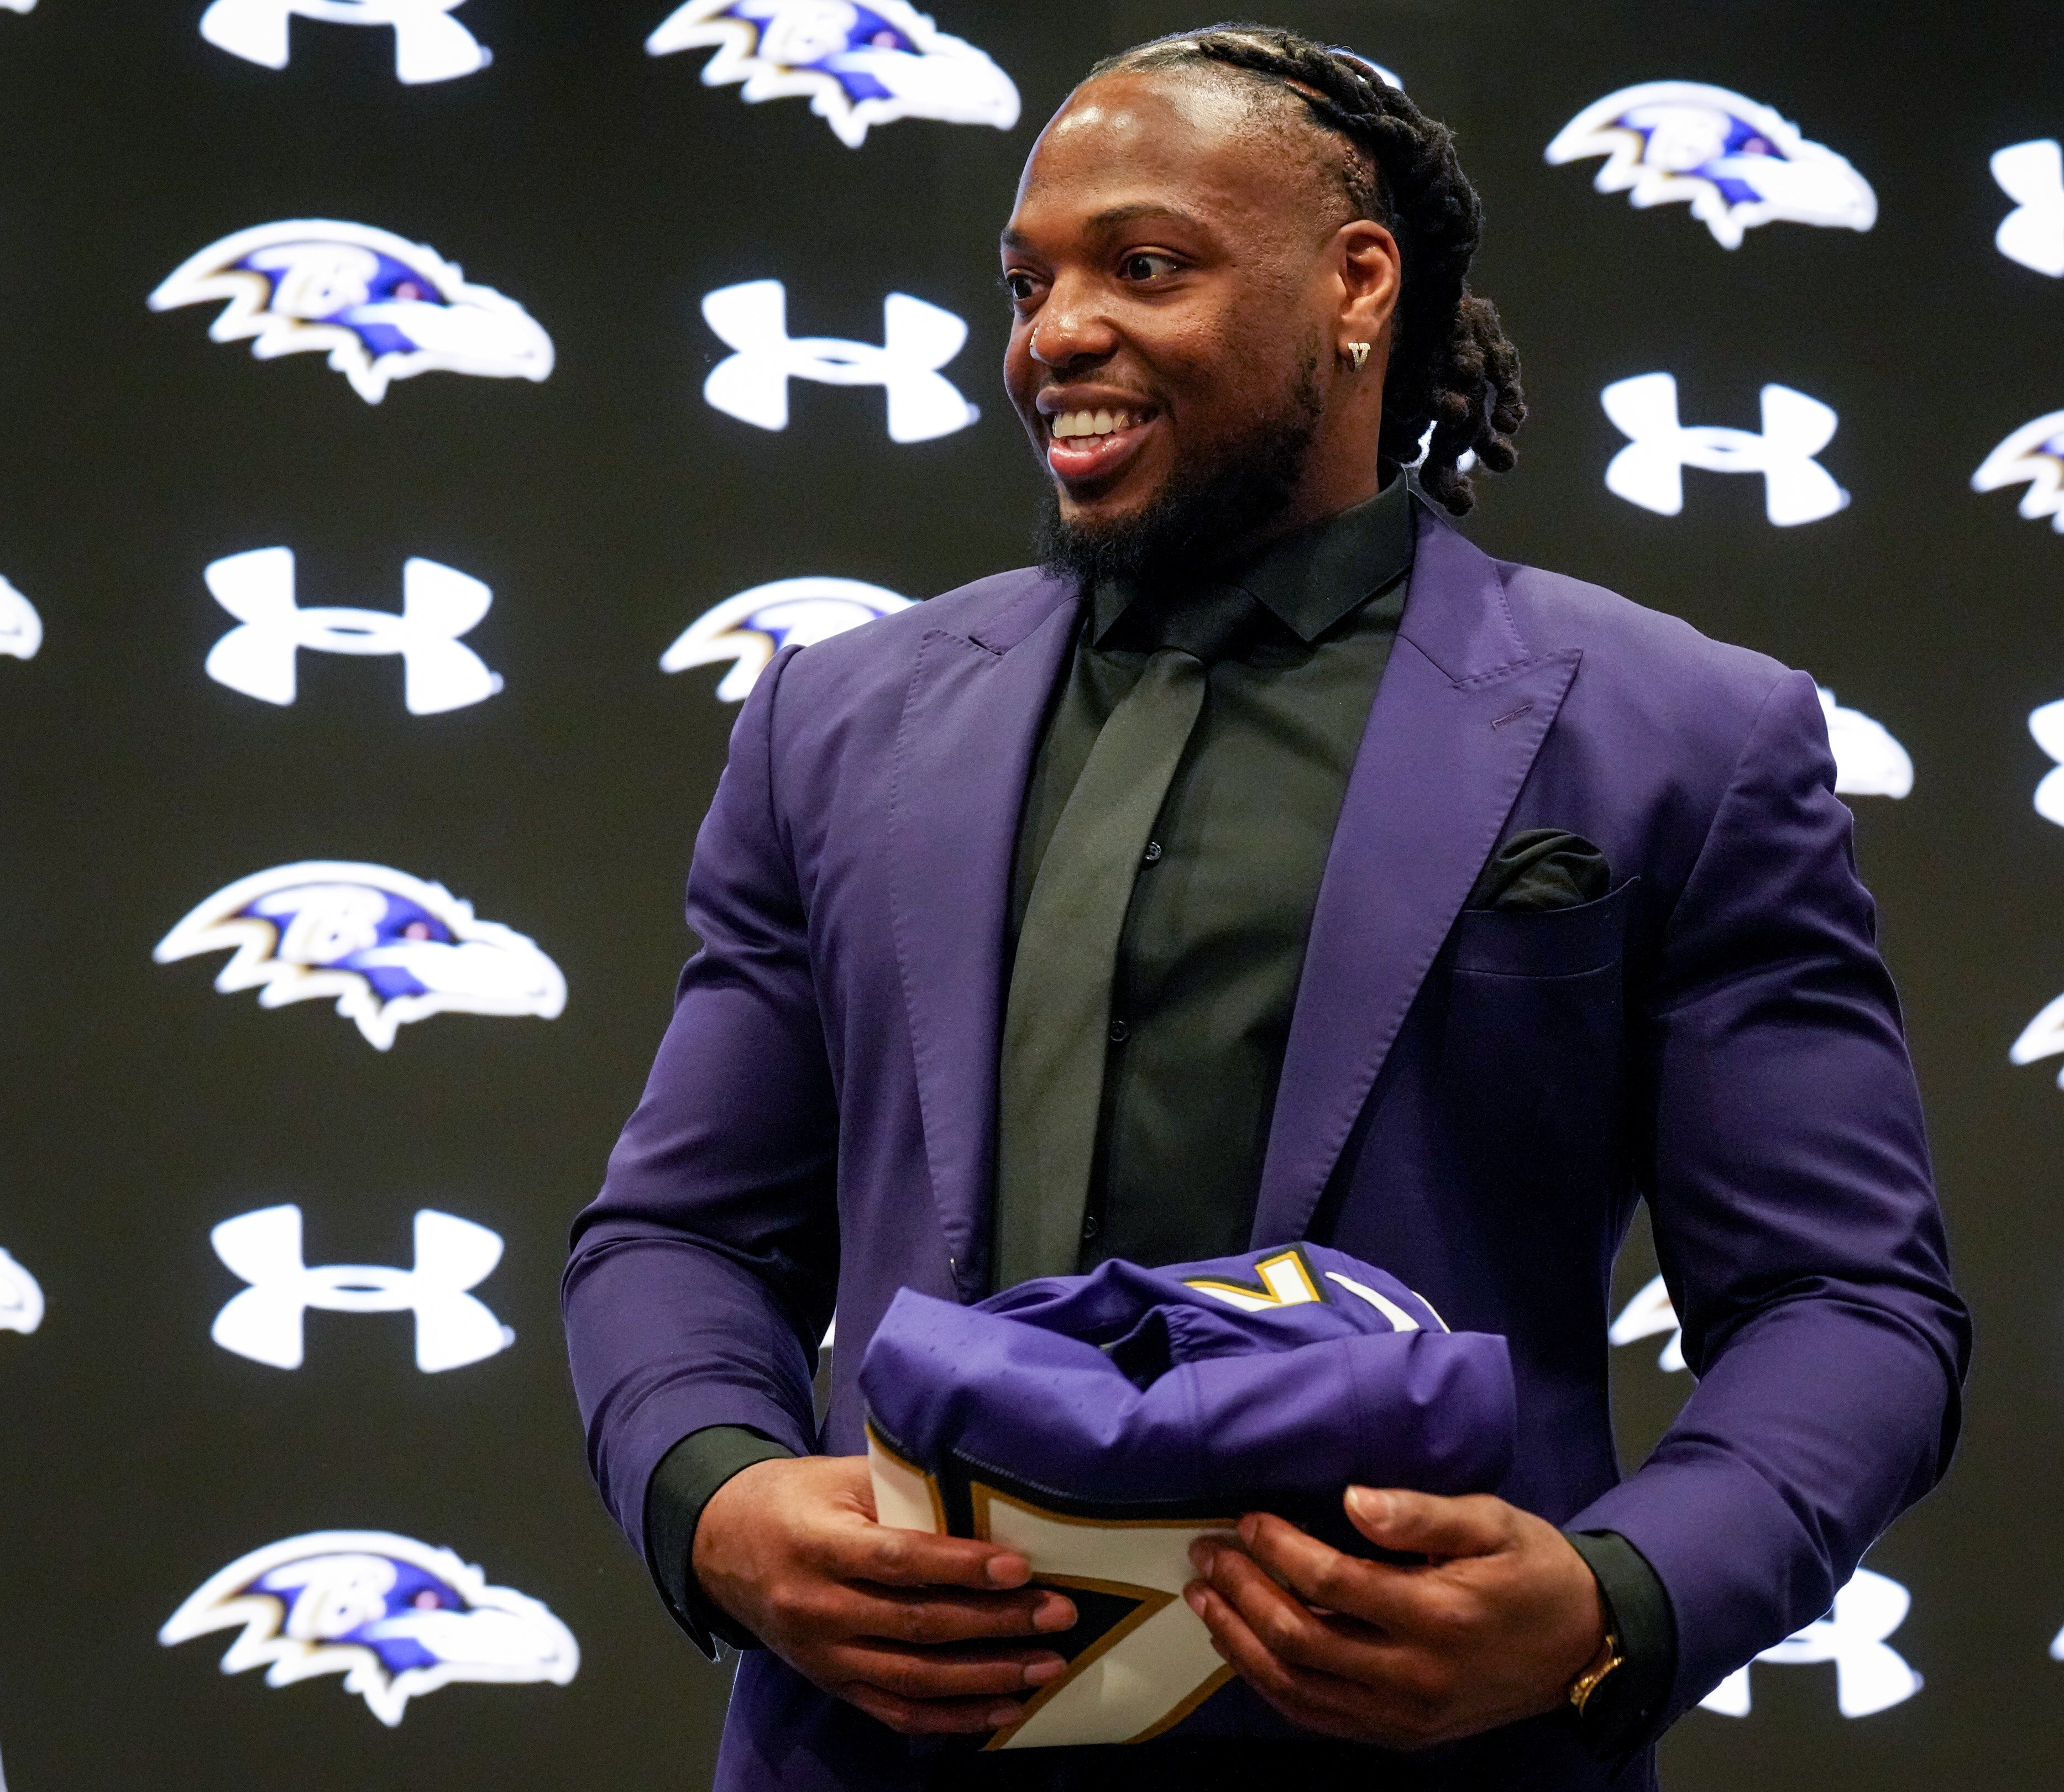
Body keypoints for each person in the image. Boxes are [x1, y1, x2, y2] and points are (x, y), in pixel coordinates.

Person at [564, 23, 1969, 1791]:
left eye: (1141, 267)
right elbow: (678, 1234)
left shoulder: (1678, 733)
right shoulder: (831, 723)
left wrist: (1610, 1598)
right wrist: (718, 1494)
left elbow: (1848, 1304)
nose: (1052, 335)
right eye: (1027, 283)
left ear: (1355, 284)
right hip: (880, 1747)